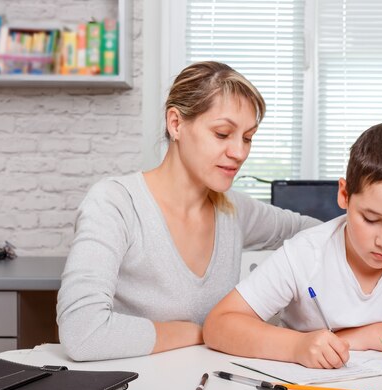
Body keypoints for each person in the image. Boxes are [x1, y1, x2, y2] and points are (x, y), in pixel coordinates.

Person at [57, 61, 320, 361]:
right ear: (176, 124)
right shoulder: (114, 204)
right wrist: (207, 331)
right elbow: (82, 333)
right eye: (222, 134)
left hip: (209, 389)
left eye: (247, 138)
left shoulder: (234, 210)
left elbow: (315, 232)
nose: (240, 152)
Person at [203, 123, 382, 369]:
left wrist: (364, 336)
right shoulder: (305, 253)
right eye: (371, 219)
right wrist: (297, 346)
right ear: (344, 195)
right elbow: (219, 326)